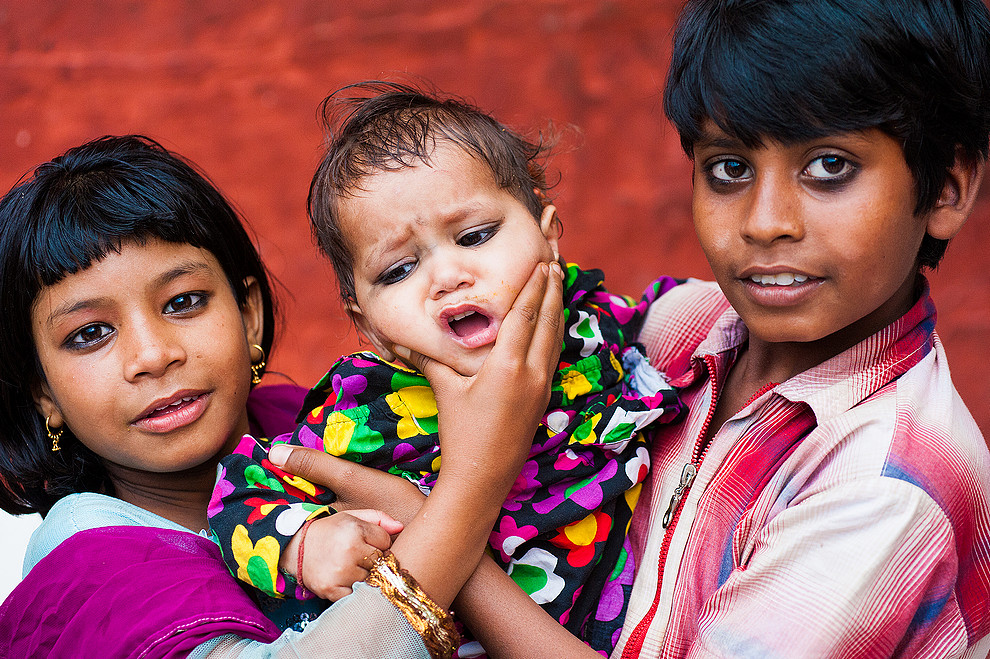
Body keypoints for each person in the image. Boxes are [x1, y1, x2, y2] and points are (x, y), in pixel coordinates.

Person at [270, 1, 990, 656]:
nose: (768, 222)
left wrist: (445, 520)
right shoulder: (678, 330)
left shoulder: (886, 485)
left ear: (948, 189)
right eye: (730, 167)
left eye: (829, 166)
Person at [0, 134, 565, 659]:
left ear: (249, 315)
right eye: (89, 334)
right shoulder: (92, 574)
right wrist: (475, 478)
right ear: (43, 391)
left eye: (183, 302)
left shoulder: (323, 421)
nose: (152, 356)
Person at [210, 82, 685, 656]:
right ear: (368, 325)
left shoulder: (595, 323)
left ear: (548, 236)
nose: (447, 276)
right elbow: (241, 491)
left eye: (476, 236)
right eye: (397, 271)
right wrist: (304, 541)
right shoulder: (365, 407)